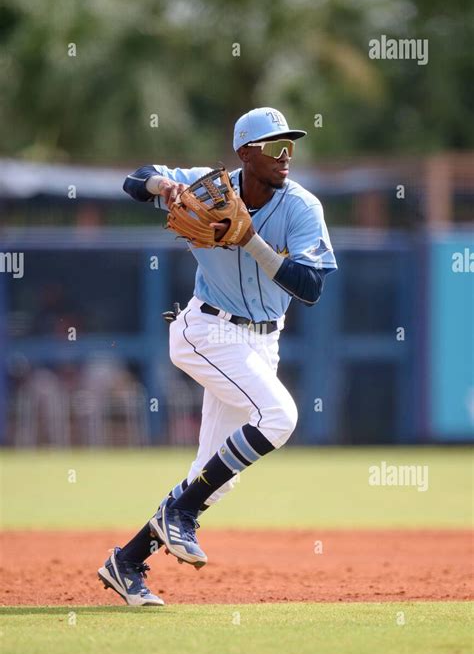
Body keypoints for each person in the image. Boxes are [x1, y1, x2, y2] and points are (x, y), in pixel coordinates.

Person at [98, 108, 337, 606]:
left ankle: (127, 561)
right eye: (274, 145)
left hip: (262, 342)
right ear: (245, 152)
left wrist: (250, 240)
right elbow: (132, 179)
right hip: (206, 329)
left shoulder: (301, 207)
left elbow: (311, 287)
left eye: (289, 143)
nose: (285, 154)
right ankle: (178, 517)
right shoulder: (208, 187)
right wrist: (163, 185)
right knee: (279, 416)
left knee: (212, 477)